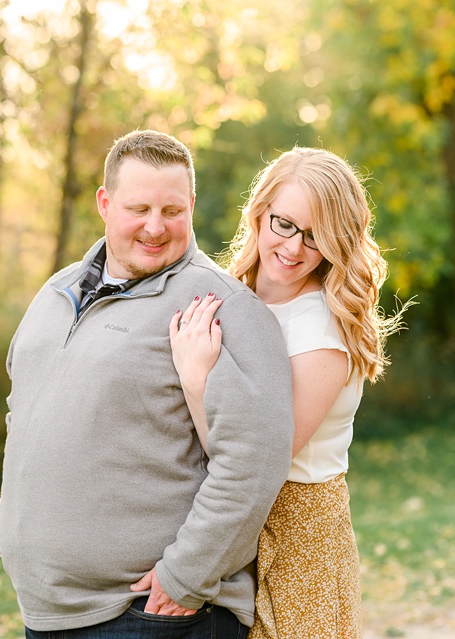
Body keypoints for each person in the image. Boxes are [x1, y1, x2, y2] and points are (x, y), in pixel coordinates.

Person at [0, 129, 295, 638]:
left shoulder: (223, 307)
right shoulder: (54, 294)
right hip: (48, 614)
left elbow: (256, 459)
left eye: (172, 211)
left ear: (191, 206)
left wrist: (184, 579)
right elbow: (20, 415)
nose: (155, 227)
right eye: (139, 209)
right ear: (105, 203)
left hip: (150, 616)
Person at [170, 146, 407, 638]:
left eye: (316, 236)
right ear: (260, 213)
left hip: (298, 538)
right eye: (285, 224)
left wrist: (196, 380)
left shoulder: (321, 332)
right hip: (230, 527)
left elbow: (258, 461)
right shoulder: (229, 295)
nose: (294, 248)